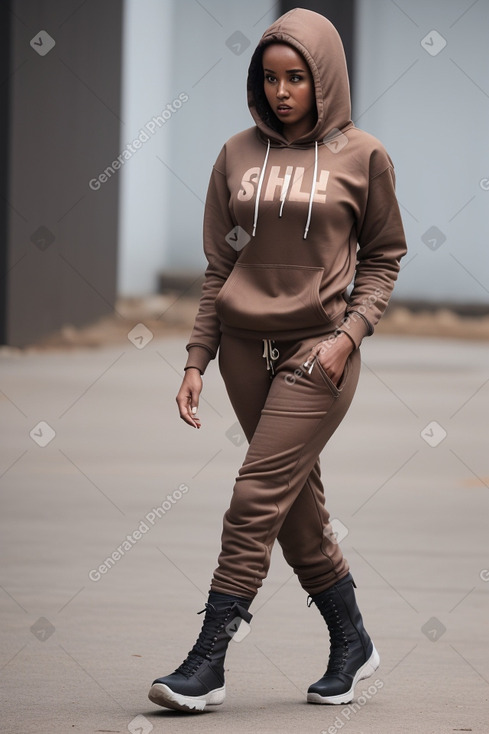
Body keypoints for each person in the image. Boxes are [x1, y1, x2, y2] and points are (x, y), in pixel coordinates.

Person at [148, 7, 407, 713]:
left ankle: (209, 659)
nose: (282, 91)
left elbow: (383, 259)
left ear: (323, 78)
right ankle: (351, 642)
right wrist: (196, 357)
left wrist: (345, 337)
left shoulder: (364, 156)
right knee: (292, 503)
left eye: (296, 77)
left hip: (317, 353)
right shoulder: (235, 154)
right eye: (270, 78)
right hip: (239, 351)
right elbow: (217, 265)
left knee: (254, 496)